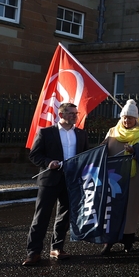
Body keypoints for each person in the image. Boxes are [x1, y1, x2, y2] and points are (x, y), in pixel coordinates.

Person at [23, 103, 89, 266]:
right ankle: (33, 252)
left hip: (71, 180)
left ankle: (57, 248)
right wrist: (48, 162)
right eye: (71, 113)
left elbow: (86, 155)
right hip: (50, 180)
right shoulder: (46, 133)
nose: (75, 116)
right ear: (61, 115)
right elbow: (35, 155)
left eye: (76, 113)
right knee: (41, 216)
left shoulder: (81, 134)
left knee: (64, 216)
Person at [100, 100, 139, 254]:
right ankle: (109, 241)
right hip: (114, 177)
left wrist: (135, 151)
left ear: (136, 119)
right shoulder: (112, 132)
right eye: (124, 118)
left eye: (130, 118)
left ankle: (128, 242)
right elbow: (102, 150)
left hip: (134, 178)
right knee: (112, 208)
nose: (127, 121)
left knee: (131, 209)